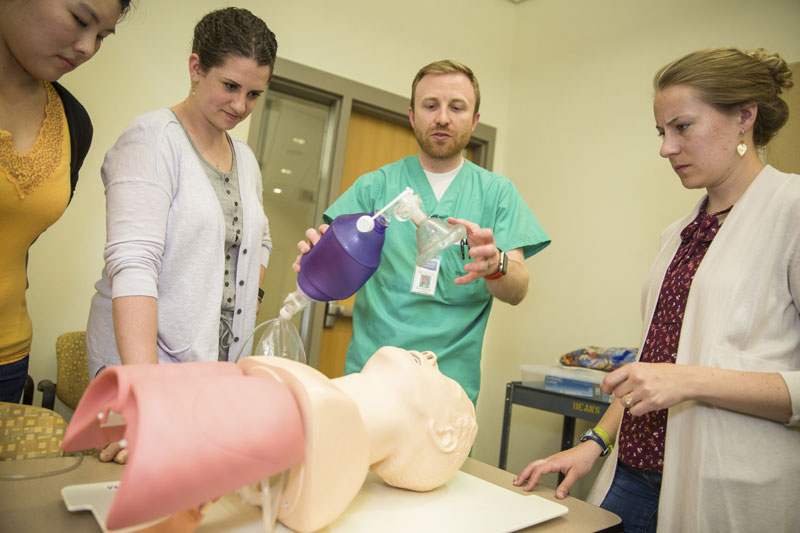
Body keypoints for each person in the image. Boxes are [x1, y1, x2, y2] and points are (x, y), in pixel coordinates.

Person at [514, 47, 799, 532]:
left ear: (744, 118)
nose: (666, 148)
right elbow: (653, 366)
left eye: (682, 127)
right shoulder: (680, 233)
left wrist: (688, 380)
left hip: (726, 488)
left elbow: (674, 376)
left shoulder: (790, 211)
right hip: (633, 474)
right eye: (661, 132)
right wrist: (594, 443)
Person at [294, 60, 550, 403]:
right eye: (431, 105)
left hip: (448, 388)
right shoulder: (375, 186)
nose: (442, 117)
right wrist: (319, 259)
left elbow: (517, 289)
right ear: (413, 115)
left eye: (456, 107)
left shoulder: (496, 193)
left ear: (474, 121)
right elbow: (330, 265)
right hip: (370, 379)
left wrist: (497, 265)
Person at [85, 7, 276, 462]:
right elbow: (133, 265)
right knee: (122, 491)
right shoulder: (151, 140)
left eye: (254, 94)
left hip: (213, 369)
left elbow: (260, 240)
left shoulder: (245, 159)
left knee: (194, 498)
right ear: (196, 68)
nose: (240, 106)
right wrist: (142, 392)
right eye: (230, 86)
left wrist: (236, 302)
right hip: (140, 368)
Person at [62, 347, 478, 533]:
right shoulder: (307, 395)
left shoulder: (323, 425)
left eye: (445, 381)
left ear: (443, 435)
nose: (431, 358)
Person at [0, 0, 133, 403]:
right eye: (80, 21)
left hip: (8, 355)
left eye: (102, 37)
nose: (88, 48)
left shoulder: (73, 122)